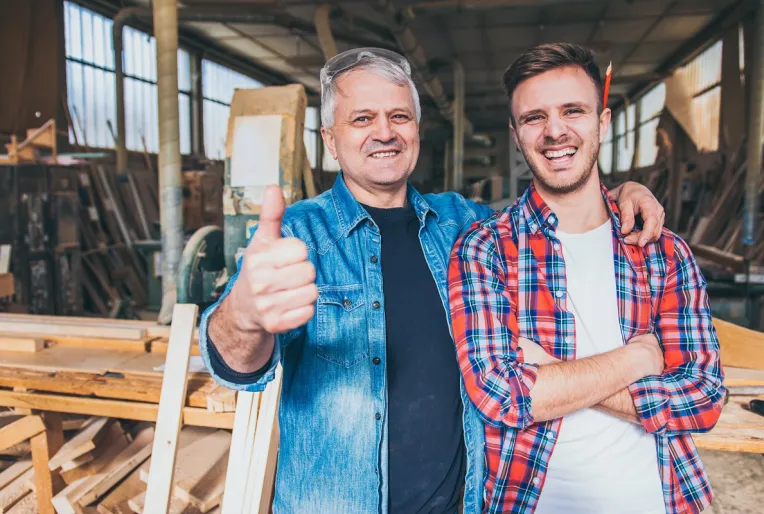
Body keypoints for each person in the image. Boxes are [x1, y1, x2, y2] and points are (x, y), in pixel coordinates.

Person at [200, 47, 666, 514]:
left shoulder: (464, 224)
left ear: (416, 130)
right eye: (362, 119)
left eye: (399, 116)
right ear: (330, 140)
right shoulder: (300, 236)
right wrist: (242, 316)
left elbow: (554, 214)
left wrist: (623, 193)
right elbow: (240, 368)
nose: (385, 132)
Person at [447, 43, 725, 514]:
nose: (555, 131)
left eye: (573, 111)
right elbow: (501, 396)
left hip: (662, 502)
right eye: (534, 117)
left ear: (603, 121)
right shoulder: (486, 250)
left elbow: (703, 399)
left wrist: (553, 374)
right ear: (516, 134)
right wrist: (636, 359)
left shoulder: (663, 252)